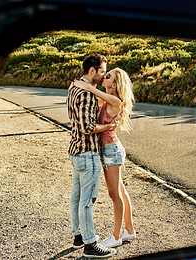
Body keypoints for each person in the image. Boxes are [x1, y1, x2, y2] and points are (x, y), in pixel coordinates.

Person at [72, 67, 136, 248]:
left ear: (114, 84)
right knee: (121, 192)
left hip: (111, 151)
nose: (104, 77)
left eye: (108, 76)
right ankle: (129, 231)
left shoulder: (115, 100)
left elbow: (92, 90)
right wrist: (77, 87)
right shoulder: (108, 97)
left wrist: (84, 84)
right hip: (109, 150)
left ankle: (116, 236)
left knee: (114, 194)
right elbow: (92, 97)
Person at [67, 53, 117, 258]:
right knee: (87, 201)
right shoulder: (87, 94)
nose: (104, 74)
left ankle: (78, 236)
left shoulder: (74, 87)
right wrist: (108, 126)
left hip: (75, 150)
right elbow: (88, 127)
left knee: (76, 197)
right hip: (88, 152)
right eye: (102, 71)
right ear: (92, 70)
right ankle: (90, 244)